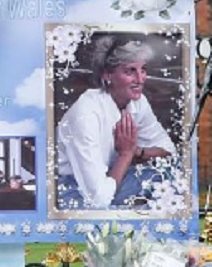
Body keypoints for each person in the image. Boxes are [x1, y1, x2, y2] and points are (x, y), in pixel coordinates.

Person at [55, 34, 174, 210]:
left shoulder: (137, 102)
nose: (140, 79)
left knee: (169, 174)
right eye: (130, 71)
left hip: (111, 179)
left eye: (143, 70)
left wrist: (136, 151)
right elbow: (98, 200)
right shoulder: (86, 114)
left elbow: (169, 152)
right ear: (107, 74)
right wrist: (126, 154)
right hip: (74, 190)